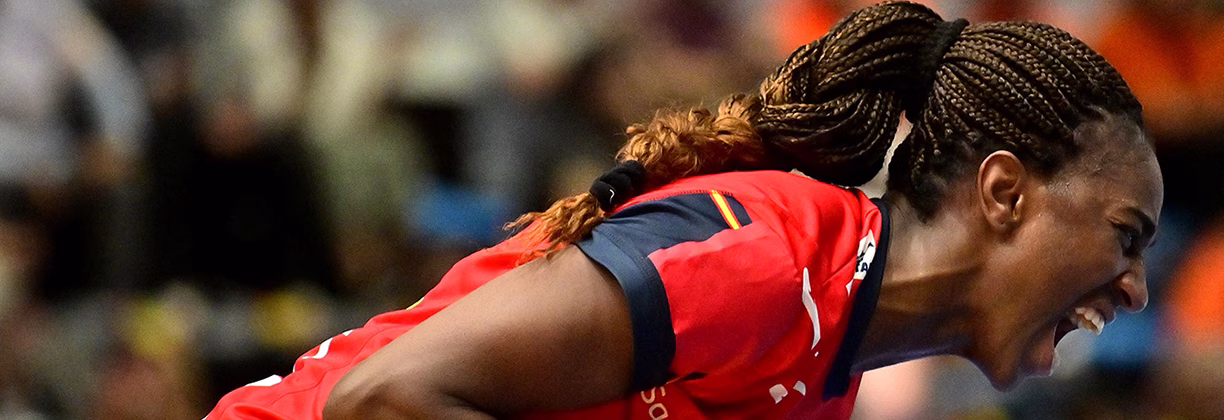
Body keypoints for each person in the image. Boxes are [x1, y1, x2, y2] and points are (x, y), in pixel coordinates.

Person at [206, 1, 1161, 418]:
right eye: (1125, 236)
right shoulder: (772, 260)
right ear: (1004, 193)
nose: (1137, 289)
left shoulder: (827, 371)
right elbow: (385, 399)